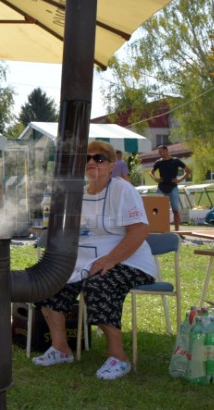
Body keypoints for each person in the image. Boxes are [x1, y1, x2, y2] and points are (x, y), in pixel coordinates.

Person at [31, 141, 156, 380]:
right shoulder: (76, 194)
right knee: (48, 281)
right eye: (87, 158)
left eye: (99, 158)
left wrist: (111, 259)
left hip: (129, 261)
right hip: (85, 262)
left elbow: (140, 231)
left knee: (98, 283)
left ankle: (118, 357)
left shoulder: (122, 190)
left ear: (112, 166)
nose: (91, 162)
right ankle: (60, 348)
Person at [150, 144, 191, 231]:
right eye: (159, 152)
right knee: (157, 210)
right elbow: (151, 172)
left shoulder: (175, 161)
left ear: (166, 151)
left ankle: (177, 231)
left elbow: (188, 171)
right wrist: (156, 179)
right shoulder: (159, 162)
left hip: (173, 188)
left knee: (175, 210)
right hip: (161, 188)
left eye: (161, 151)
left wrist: (179, 180)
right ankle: (159, 229)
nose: (159, 153)